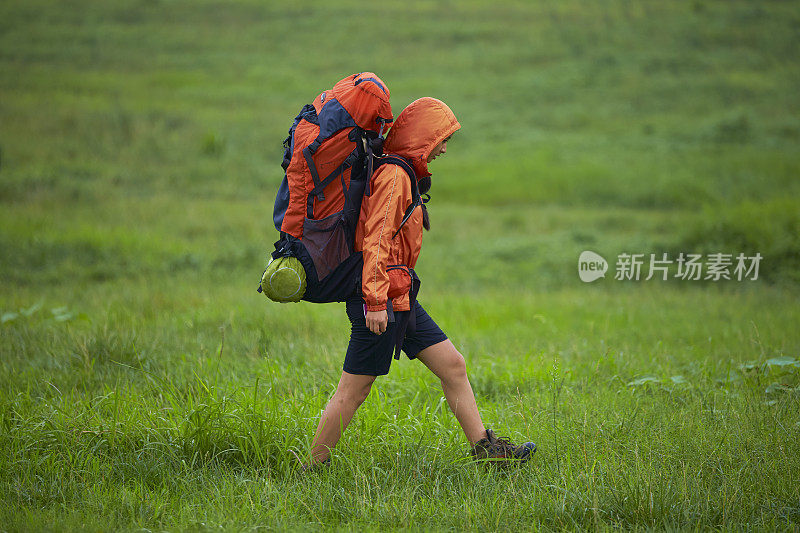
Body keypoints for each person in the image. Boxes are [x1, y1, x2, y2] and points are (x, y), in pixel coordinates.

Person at [307, 97, 535, 467]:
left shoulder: (400, 172)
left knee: (453, 365)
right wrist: (376, 302)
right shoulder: (395, 176)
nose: (444, 148)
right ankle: (312, 468)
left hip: (399, 295)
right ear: (422, 137)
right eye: (441, 139)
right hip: (381, 299)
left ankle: (487, 452)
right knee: (354, 390)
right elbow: (376, 240)